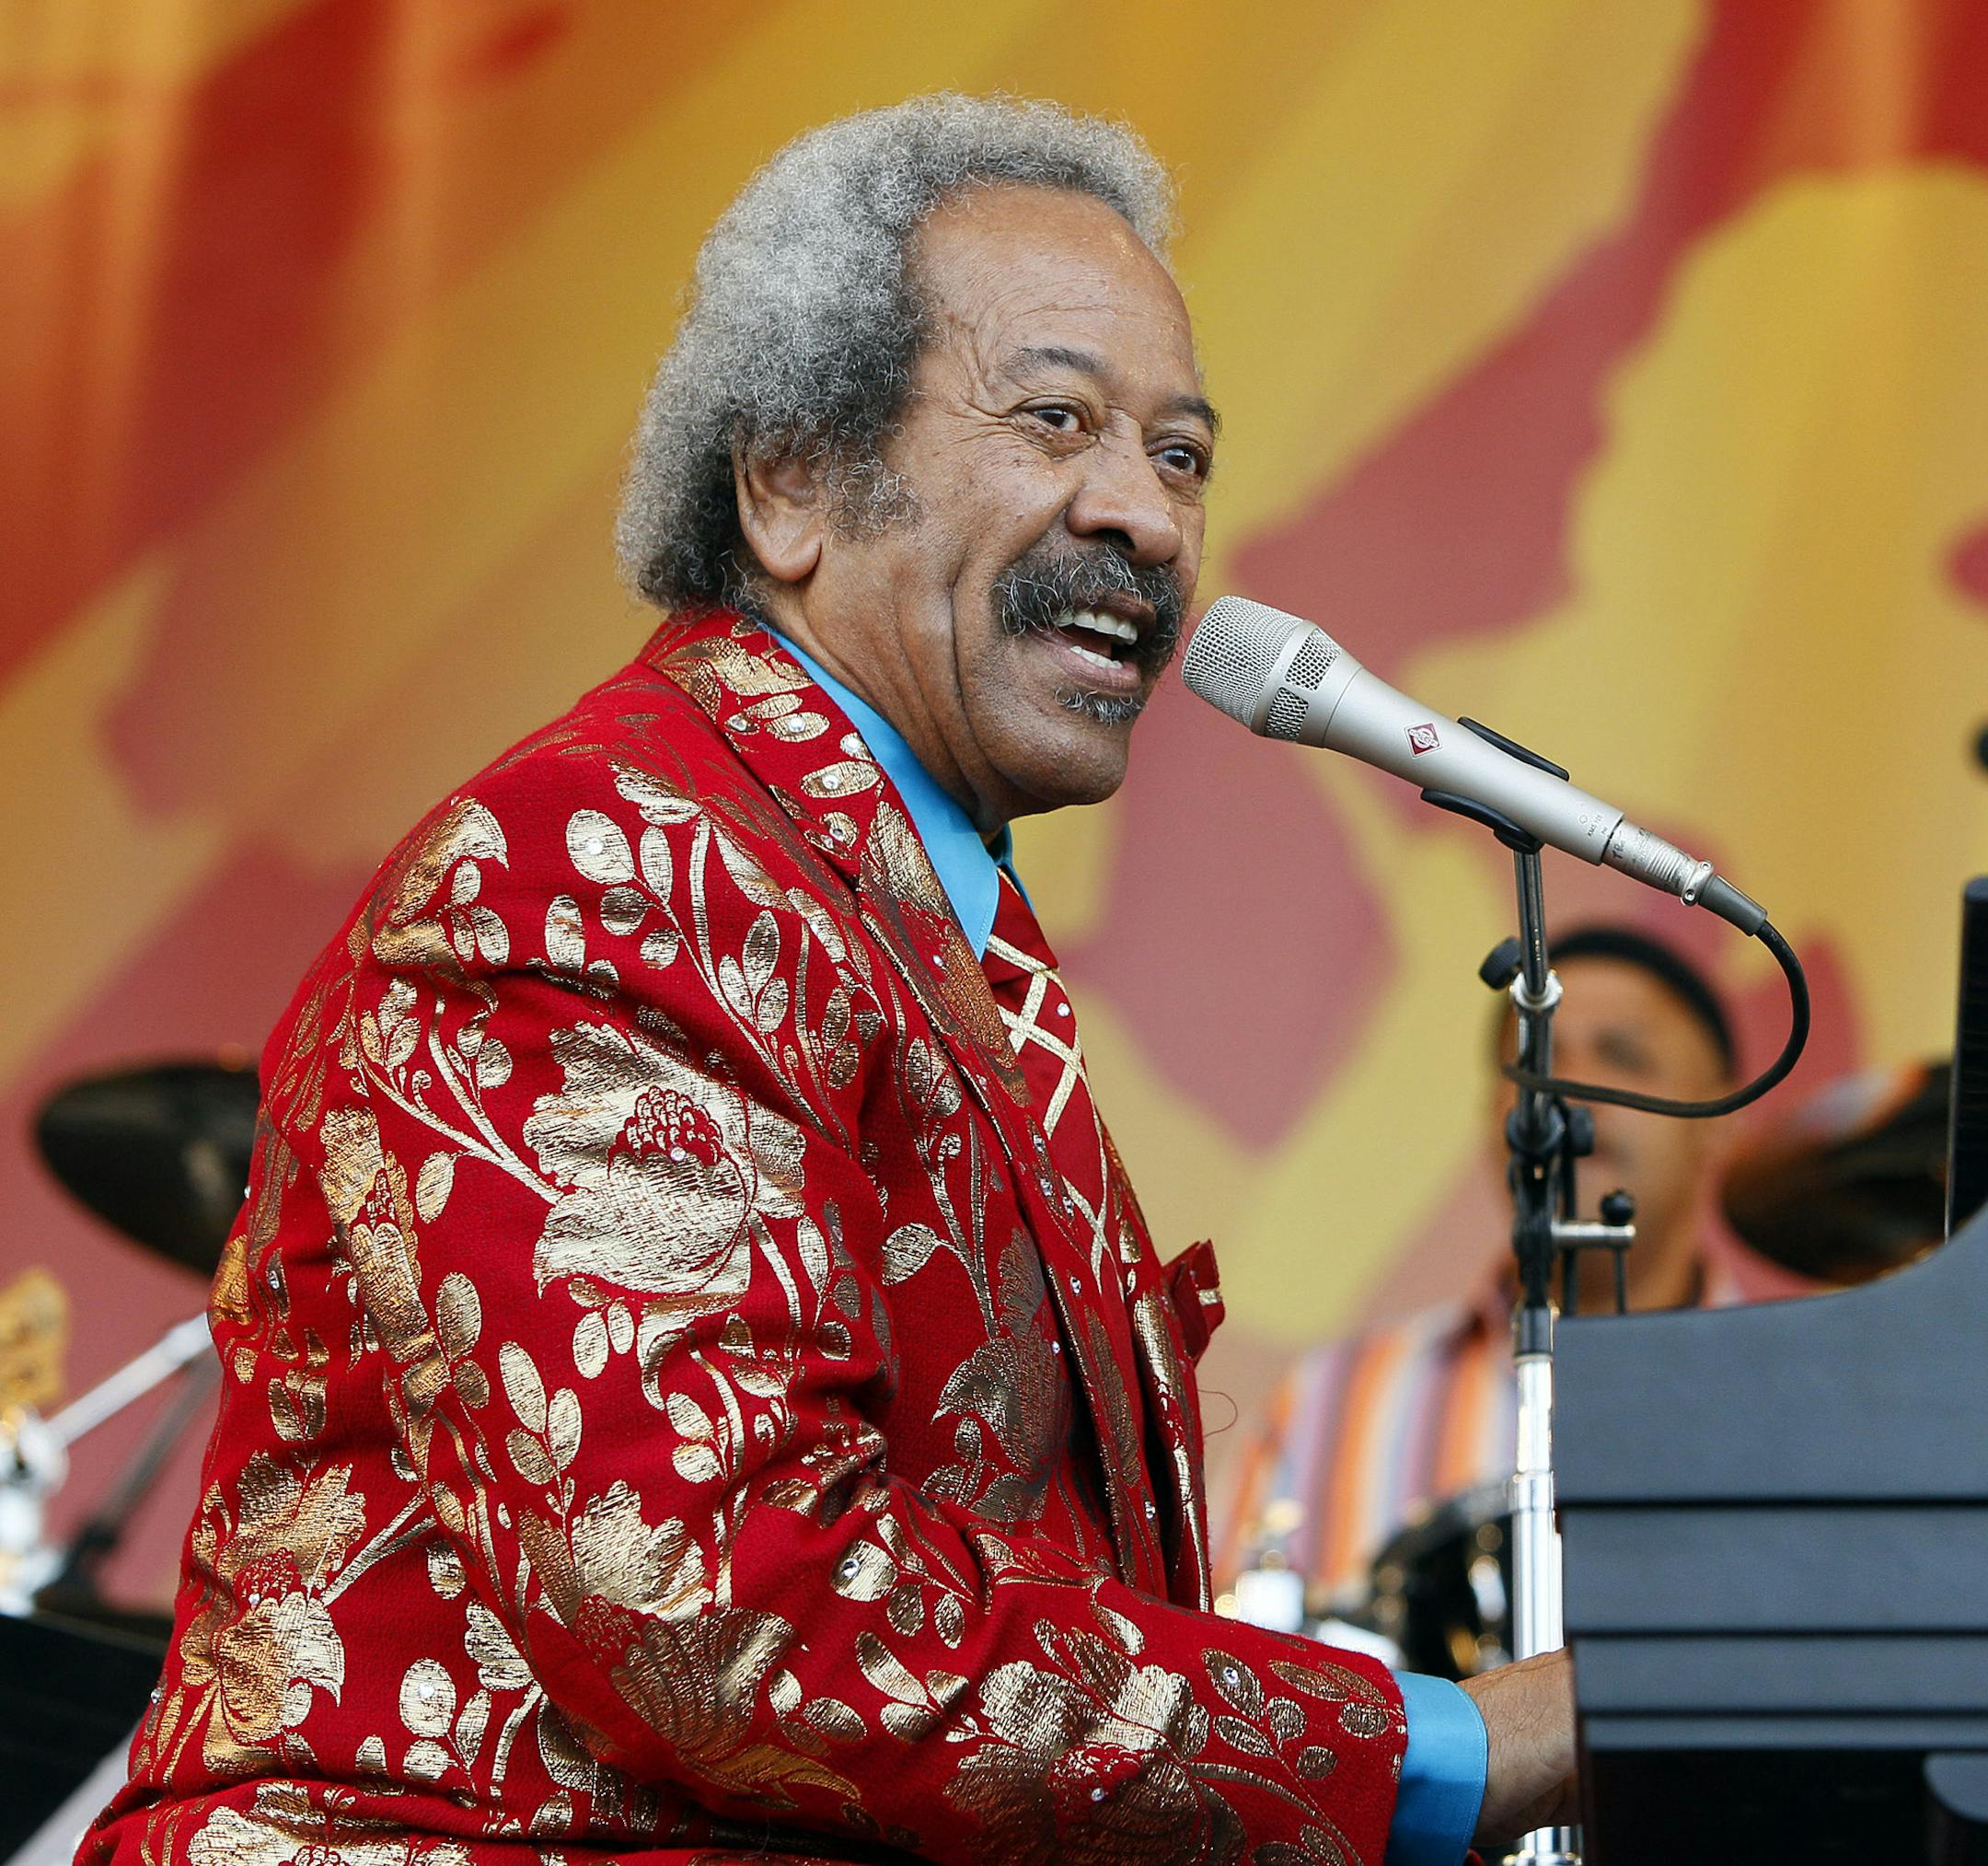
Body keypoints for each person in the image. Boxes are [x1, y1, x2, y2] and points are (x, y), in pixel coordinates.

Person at [86, 96, 1571, 1865]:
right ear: (788, 479)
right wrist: (1462, 1741)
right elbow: (724, 1605)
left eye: (1181, 453)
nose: (1151, 520)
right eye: (1057, 419)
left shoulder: (892, 917)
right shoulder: (592, 875)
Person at [1217, 925, 1741, 1643]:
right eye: (1532, 1061)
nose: (1560, 1091)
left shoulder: (1806, 1410)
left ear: (1718, 1118)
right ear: (1489, 1116)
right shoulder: (1330, 1401)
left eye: (1623, 1057)